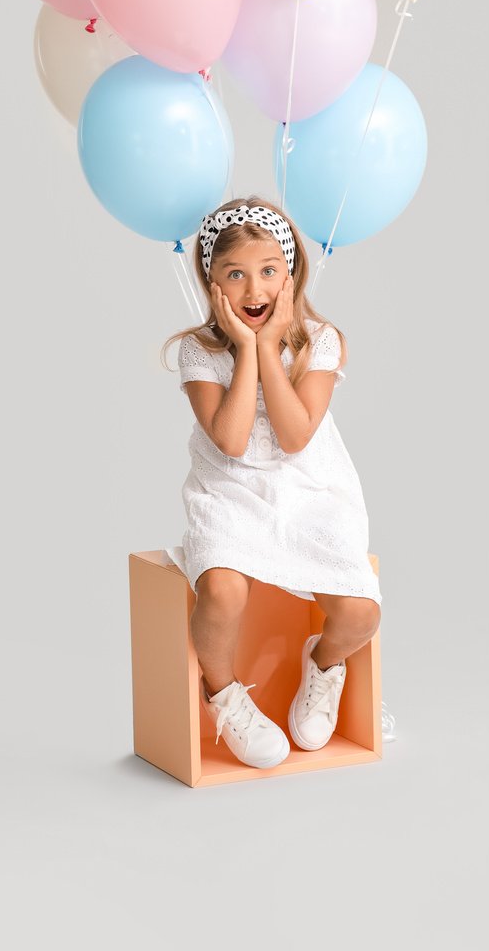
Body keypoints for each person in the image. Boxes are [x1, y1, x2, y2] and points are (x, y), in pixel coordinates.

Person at [160, 196, 382, 769]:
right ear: (213, 284)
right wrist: (247, 351)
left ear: (291, 276)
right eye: (235, 275)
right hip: (229, 491)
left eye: (267, 272)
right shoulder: (199, 351)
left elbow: (294, 437)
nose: (253, 290)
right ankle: (224, 692)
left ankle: (324, 664)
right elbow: (230, 441)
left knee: (361, 612)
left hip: (307, 490)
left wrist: (270, 345)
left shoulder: (319, 341)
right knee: (222, 592)